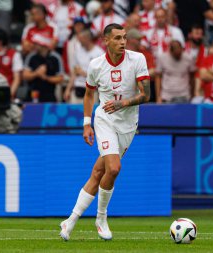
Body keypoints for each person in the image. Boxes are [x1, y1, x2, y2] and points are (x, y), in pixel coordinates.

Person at [59, 23, 151, 241]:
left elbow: (146, 95)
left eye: (124, 38)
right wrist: (86, 123)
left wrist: (123, 104)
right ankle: (101, 218)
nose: (122, 42)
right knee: (114, 167)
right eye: (117, 38)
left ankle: (70, 220)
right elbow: (89, 95)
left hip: (128, 124)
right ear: (106, 40)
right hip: (105, 120)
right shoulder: (96, 65)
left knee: (100, 172)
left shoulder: (137, 59)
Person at [63, 29, 104, 103]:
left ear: (87, 38)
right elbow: (74, 73)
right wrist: (68, 90)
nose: (79, 41)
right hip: (77, 88)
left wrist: (84, 73)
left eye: (81, 39)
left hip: (92, 90)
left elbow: (102, 75)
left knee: (90, 114)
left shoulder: (99, 53)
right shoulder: (78, 52)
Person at [23, 34, 64, 102]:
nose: (33, 45)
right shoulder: (31, 56)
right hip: (34, 92)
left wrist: (46, 77)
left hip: (50, 94)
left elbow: (60, 78)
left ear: (42, 45)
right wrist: (36, 73)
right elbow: (25, 75)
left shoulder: (55, 57)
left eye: (36, 44)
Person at [0, 28, 24, 98]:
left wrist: (9, 95)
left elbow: (17, 79)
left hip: (7, 92)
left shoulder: (14, 55)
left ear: (0, 41)